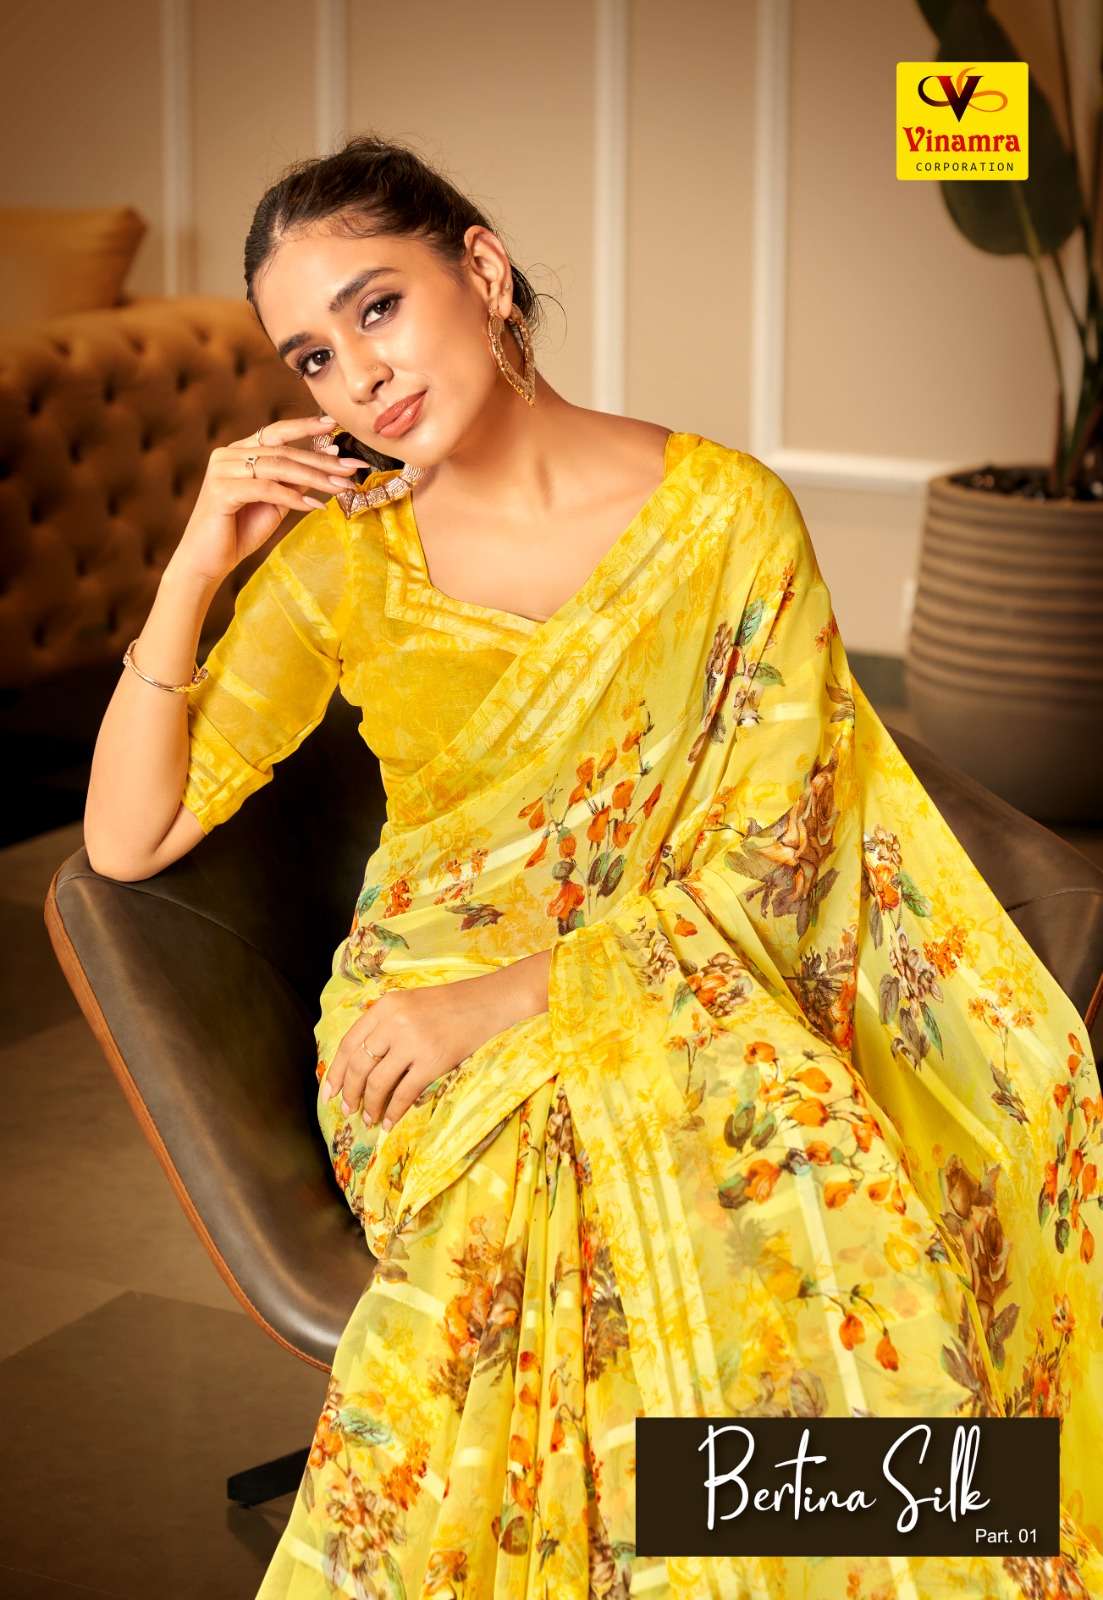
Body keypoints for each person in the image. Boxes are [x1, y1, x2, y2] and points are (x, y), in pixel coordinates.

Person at [84, 136, 1103, 1599]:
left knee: (803, 1168)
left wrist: (524, 995)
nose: (358, 376)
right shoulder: (343, 559)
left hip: (673, 989)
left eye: (378, 308)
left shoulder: (725, 519)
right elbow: (126, 838)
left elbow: (774, 857)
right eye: (312, 357)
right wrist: (197, 562)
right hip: (418, 1031)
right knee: (558, 1203)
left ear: (483, 271)